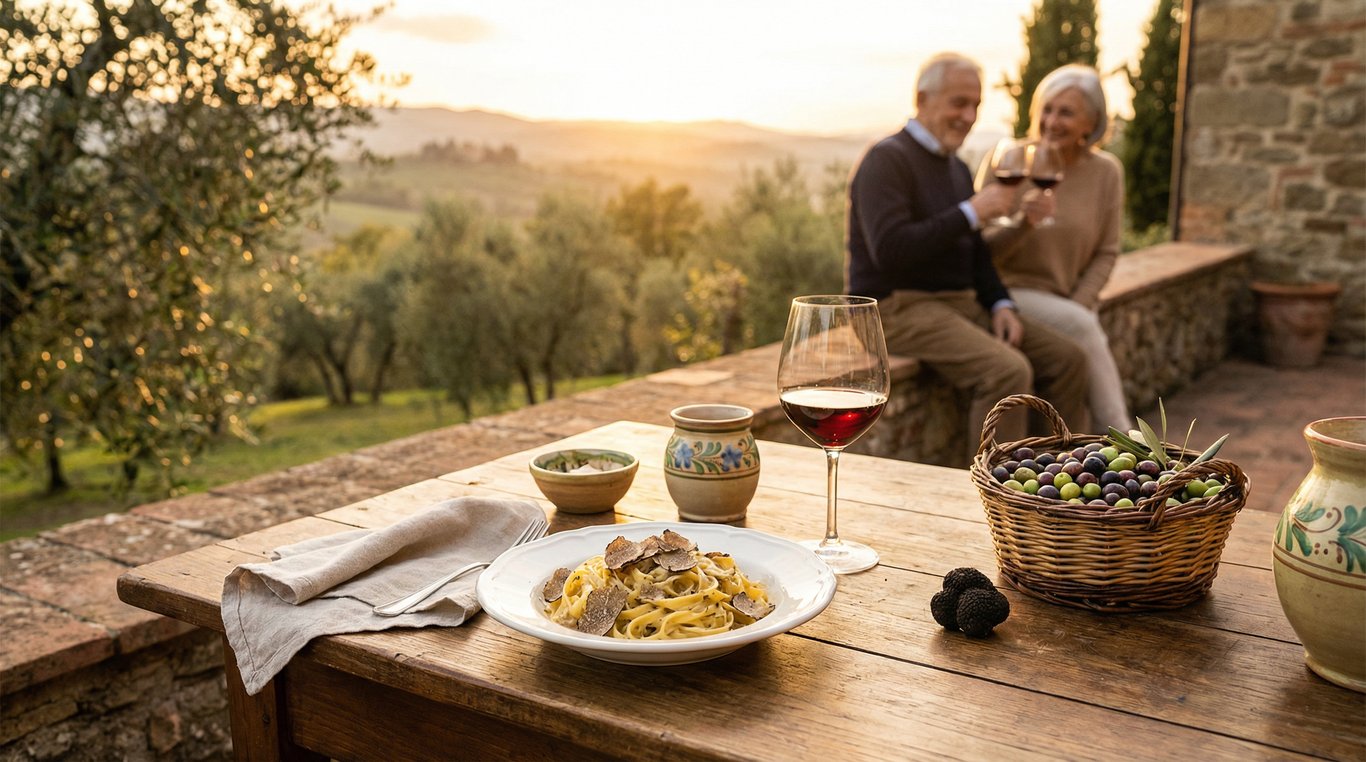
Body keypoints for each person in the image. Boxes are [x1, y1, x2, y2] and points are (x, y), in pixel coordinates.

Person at [845, 52, 1090, 462]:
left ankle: (1053, 478)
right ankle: (992, 494)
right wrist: (971, 212)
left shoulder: (956, 168)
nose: (969, 115)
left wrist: (999, 302)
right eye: (959, 102)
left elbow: (974, 252)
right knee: (1007, 370)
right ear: (923, 99)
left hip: (959, 305)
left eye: (976, 104)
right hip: (895, 307)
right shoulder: (886, 160)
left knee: (1068, 359)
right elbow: (891, 252)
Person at [983, 64, 1129, 431]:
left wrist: (1078, 305)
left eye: (1066, 112)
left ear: (1091, 121)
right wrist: (1023, 225)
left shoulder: (1106, 172)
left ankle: (1074, 455)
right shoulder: (1010, 161)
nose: (1052, 121)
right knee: (1083, 330)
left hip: (1064, 304)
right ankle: (1128, 437)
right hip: (1006, 294)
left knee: (1078, 340)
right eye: (1046, 109)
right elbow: (978, 248)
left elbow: (1107, 252)